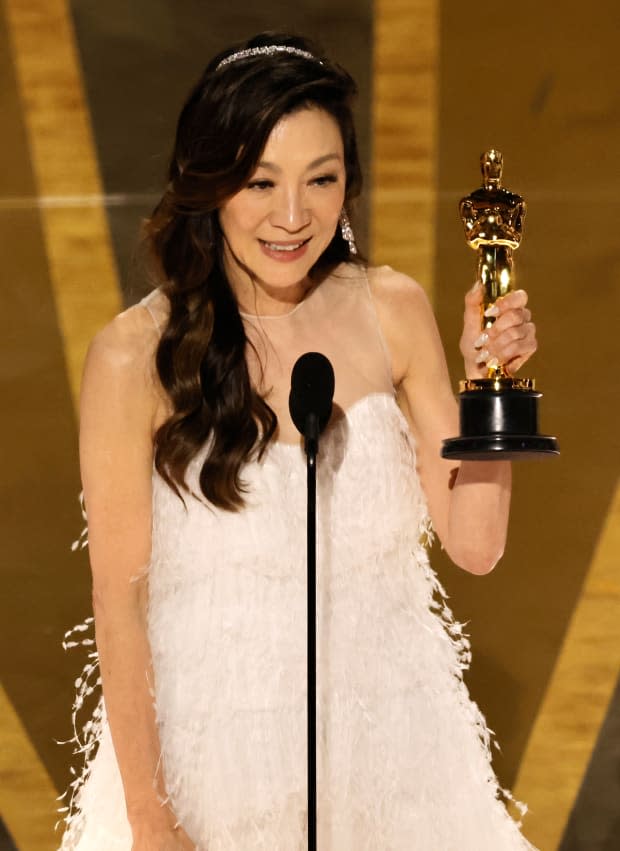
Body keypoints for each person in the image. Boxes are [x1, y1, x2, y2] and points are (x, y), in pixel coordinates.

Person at [59, 31, 539, 851]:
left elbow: (477, 544)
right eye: (261, 183)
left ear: (349, 183)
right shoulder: (134, 356)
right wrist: (150, 819)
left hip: (399, 763)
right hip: (215, 770)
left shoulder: (392, 310)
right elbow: (120, 601)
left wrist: (492, 387)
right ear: (209, 187)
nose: (293, 217)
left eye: (322, 180)